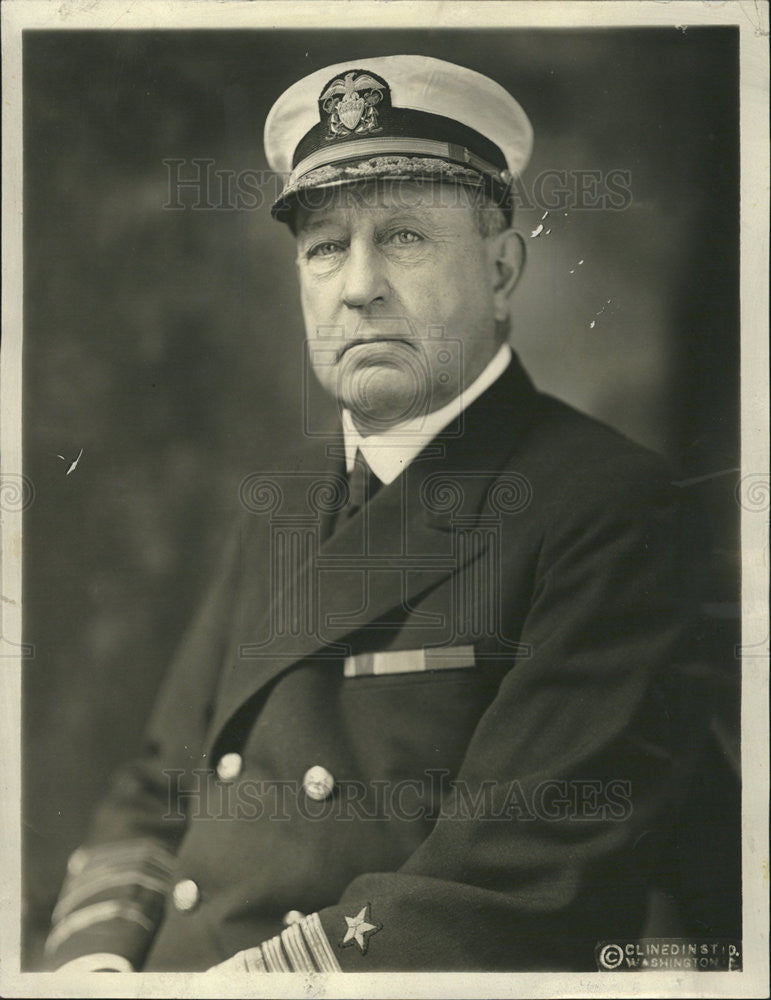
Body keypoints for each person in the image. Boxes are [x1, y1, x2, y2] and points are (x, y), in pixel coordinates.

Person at [45, 54, 707, 973]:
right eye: (324, 246)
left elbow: (506, 886)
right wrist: (96, 964)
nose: (358, 286)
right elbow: (160, 780)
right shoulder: (281, 498)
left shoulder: (602, 505)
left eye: (402, 236)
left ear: (502, 267)